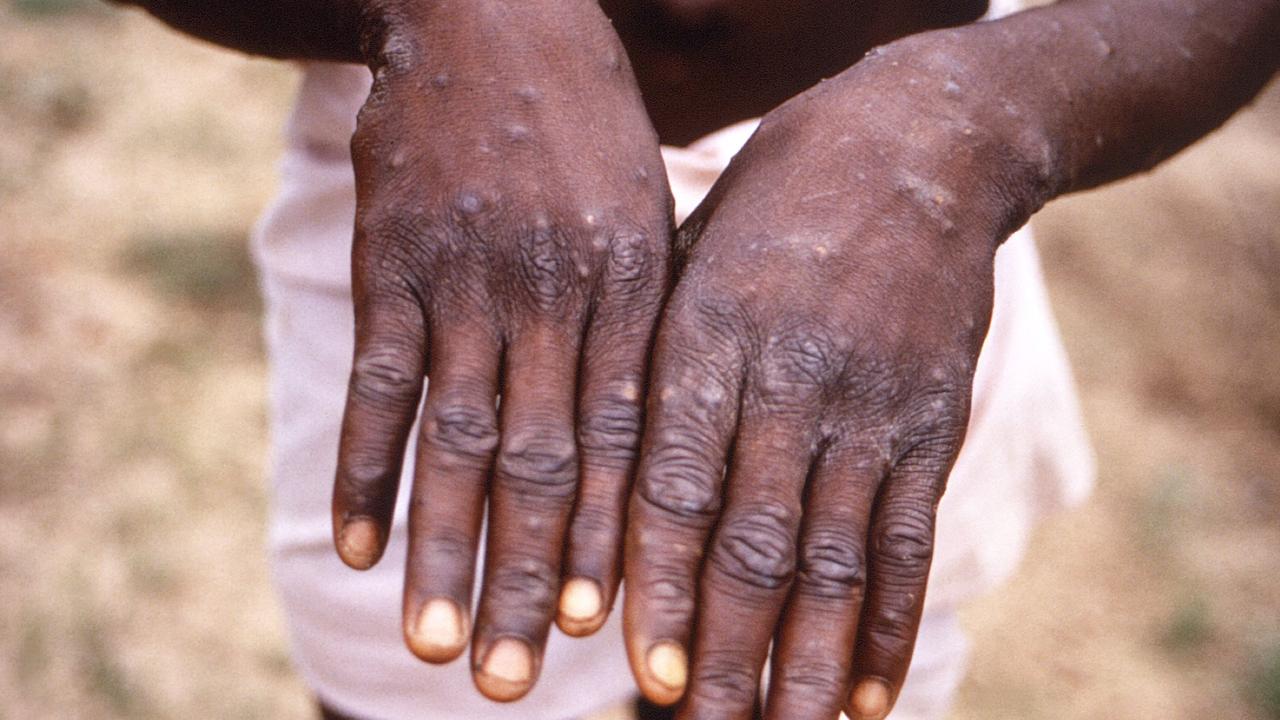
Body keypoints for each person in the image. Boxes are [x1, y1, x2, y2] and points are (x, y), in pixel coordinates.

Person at [111, 0, 1280, 718]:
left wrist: (968, 125)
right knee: (419, 677)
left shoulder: (939, 157)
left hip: (886, 246)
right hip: (461, 171)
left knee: (802, 676)